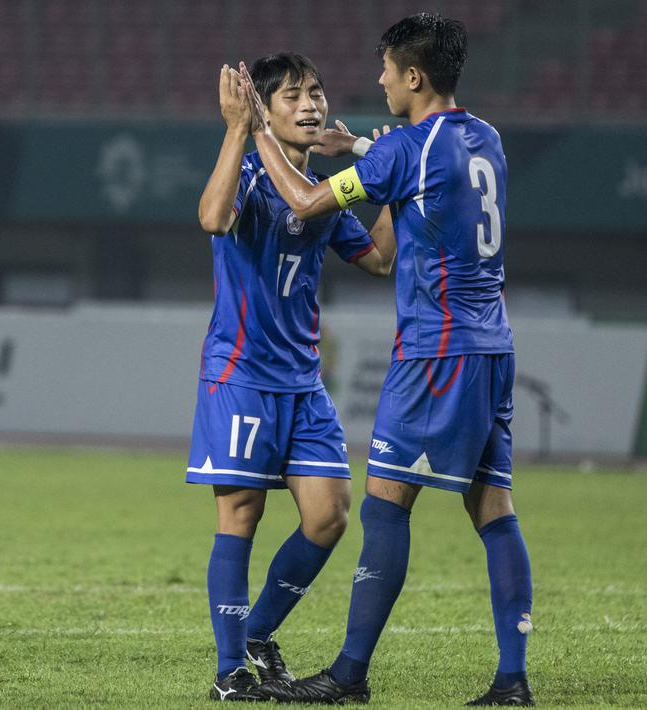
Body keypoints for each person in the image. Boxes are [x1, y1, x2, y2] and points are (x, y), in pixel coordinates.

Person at [240, 13, 534, 706]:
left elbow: (306, 199)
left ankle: (348, 674)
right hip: (492, 344)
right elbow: (416, 193)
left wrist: (256, 132)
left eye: (386, 69)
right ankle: (512, 679)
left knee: (384, 507)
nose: (378, 81)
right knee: (494, 509)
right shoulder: (484, 137)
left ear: (414, 76)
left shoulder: (405, 148)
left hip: (436, 352)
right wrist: (361, 151)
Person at [188, 52, 397, 701]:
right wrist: (236, 129)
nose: (310, 105)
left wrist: (393, 188)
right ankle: (230, 674)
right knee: (241, 513)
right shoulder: (249, 174)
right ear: (264, 110)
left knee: (329, 515)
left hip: (303, 384)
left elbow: (380, 260)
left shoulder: (325, 194)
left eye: (316, 93)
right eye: (292, 96)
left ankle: (255, 634)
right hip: (241, 375)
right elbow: (213, 218)